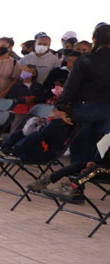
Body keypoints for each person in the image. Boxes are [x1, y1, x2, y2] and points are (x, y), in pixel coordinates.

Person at [56, 25, 110, 164]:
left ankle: (76, 183)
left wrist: (60, 105)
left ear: (95, 38)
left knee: (80, 152)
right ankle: (86, 178)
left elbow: (71, 86)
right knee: (96, 153)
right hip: (107, 111)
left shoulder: (86, 59)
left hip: (84, 109)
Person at [0, 105, 75, 163]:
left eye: (55, 111)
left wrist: (55, 121)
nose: (51, 113)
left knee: (36, 135)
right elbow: (28, 132)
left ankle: (14, 152)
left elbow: (45, 135)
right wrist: (36, 120)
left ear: (63, 115)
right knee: (20, 132)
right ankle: (3, 148)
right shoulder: (49, 123)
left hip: (45, 152)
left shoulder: (62, 126)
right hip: (35, 147)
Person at [8, 65, 46, 130]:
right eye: (23, 71)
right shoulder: (16, 86)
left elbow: (42, 98)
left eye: (28, 71)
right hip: (19, 112)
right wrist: (24, 100)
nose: (24, 72)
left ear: (33, 73)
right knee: (15, 128)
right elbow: (12, 98)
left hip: (34, 113)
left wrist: (34, 100)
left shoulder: (38, 86)